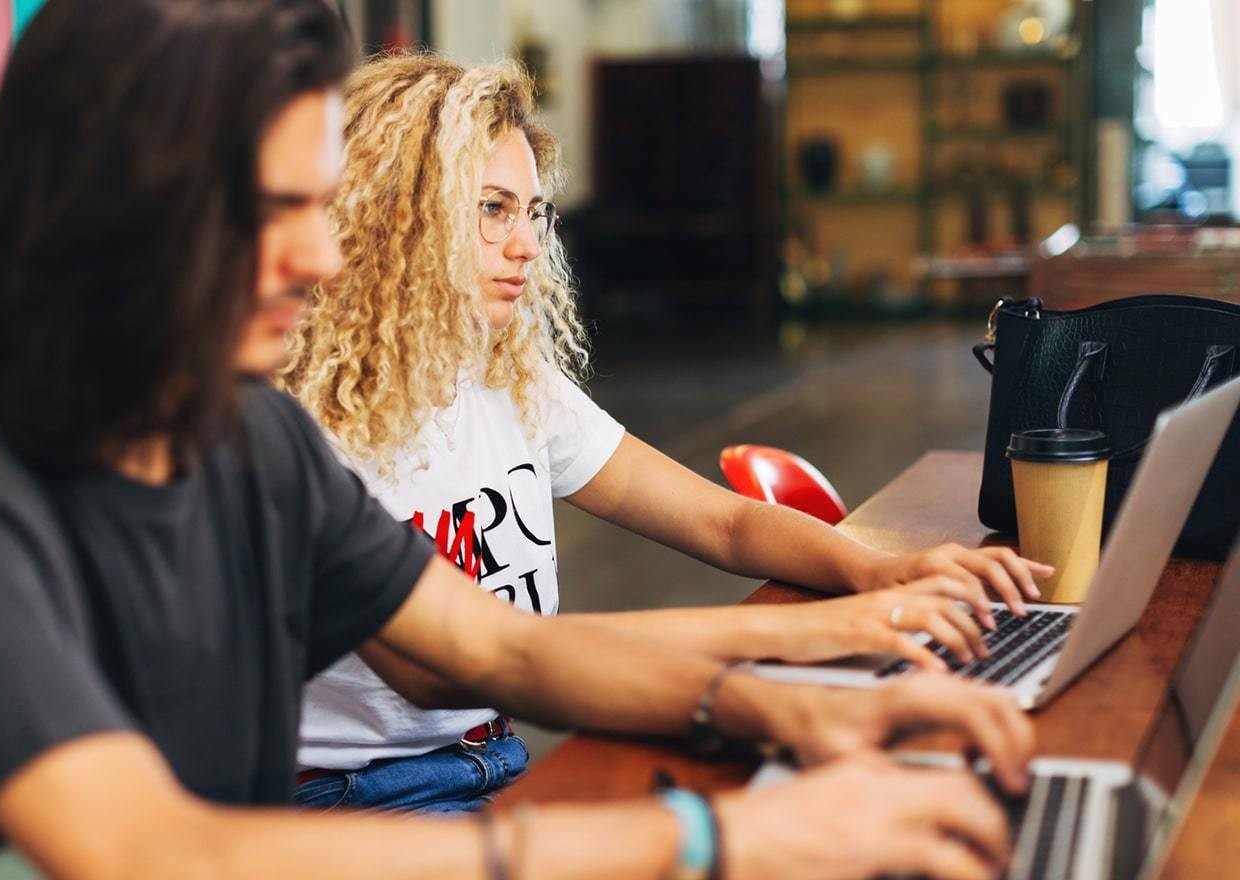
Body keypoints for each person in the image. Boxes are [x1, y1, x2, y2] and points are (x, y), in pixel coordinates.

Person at [0, 3, 1032, 879]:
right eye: (279, 208)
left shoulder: (245, 442)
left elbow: (500, 649)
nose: (326, 254)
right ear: (113, 202)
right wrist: (713, 843)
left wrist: (794, 708)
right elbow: (143, 851)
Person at [280, 52, 1051, 812]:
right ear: (391, 211)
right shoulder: (306, 424)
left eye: (533, 212)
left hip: (492, 761)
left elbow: (721, 520)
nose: (525, 246)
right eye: (491, 208)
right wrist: (803, 636)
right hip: (353, 796)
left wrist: (877, 572)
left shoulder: (504, 379)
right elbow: (465, 666)